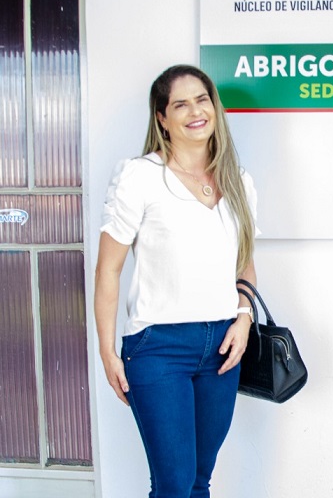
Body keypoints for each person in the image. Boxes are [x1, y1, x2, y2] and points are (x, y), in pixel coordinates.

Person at [94, 64, 259, 497]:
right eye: (180, 105)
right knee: (173, 483)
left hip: (222, 346)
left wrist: (243, 319)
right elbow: (108, 269)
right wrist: (107, 351)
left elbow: (244, 262)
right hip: (158, 348)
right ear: (162, 119)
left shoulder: (238, 181)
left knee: (200, 480)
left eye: (202, 100)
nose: (195, 112)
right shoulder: (139, 176)